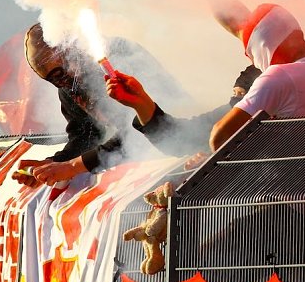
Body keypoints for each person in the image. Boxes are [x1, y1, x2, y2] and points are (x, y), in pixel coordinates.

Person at [13, 23, 251, 186]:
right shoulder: (68, 88)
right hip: (151, 149)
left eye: (61, 71)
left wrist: (73, 166)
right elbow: (86, 135)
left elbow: (139, 134)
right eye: (53, 80)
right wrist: (53, 165)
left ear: (70, 51)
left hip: (174, 143)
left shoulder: (116, 57)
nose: (65, 83)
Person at [107, 3, 305, 152]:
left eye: (252, 55)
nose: (253, 64)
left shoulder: (277, 78)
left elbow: (218, 138)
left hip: (293, 205)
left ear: (262, 51)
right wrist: (141, 102)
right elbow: (249, 29)